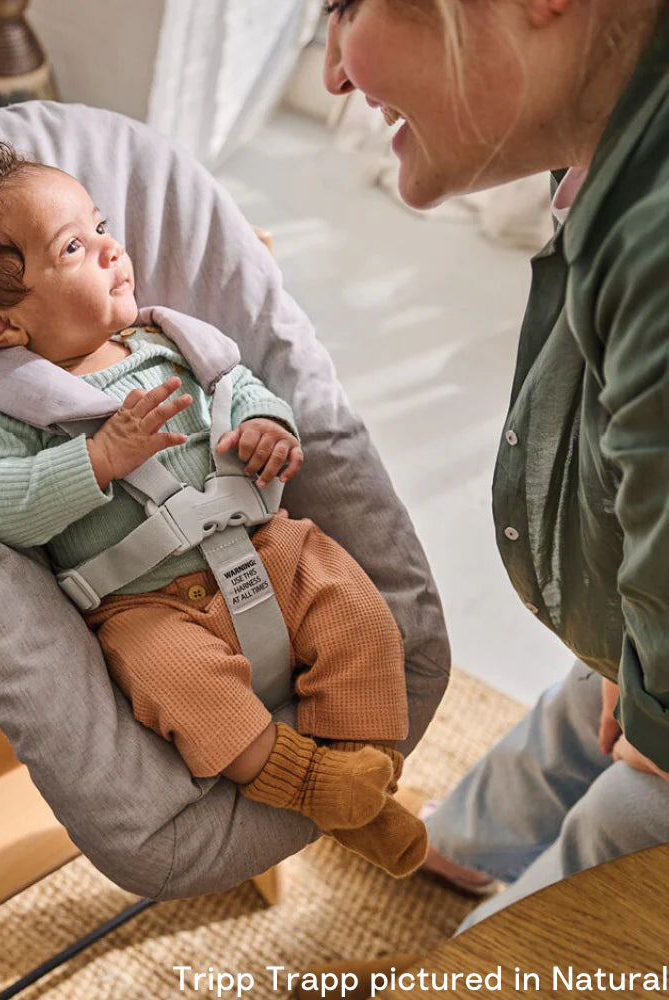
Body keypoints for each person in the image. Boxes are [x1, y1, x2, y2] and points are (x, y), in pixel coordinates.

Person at [0, 141, 429, 877]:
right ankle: (310, 783)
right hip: (148, 603)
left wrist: (268, 426)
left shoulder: (165, 338)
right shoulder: (10, 404)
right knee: (178, 688)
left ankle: (359, 768)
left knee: (358, 612)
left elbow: (238, 385)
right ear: (2, 325)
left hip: (269, 548)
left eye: (102, 225)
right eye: (75, 245)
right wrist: (96, 460)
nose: (112, 249)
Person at [298, 0, 669, 989]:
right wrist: (631, 661)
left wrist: (660, 723)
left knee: (635, 821)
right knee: (588, 701)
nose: (333, 71)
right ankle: (468, 840)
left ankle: (502, 960)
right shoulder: (609, 127)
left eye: (345, 6)